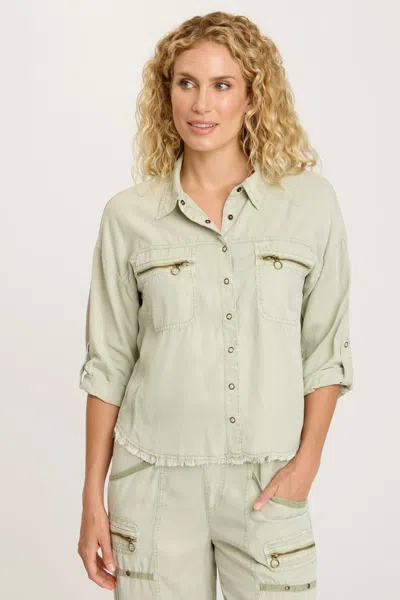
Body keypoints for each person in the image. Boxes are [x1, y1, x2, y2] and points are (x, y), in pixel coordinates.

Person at [77, 11, 354, 600]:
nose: (202, 104)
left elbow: (326, 351)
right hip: (152, 485)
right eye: (187, 83)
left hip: (267, 485)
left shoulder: (309, 205)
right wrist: (91, 498)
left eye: (222, 85)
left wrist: (306, 464)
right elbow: (108, 363)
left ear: (253, 97)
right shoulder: (129, 217)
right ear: (167, 93)